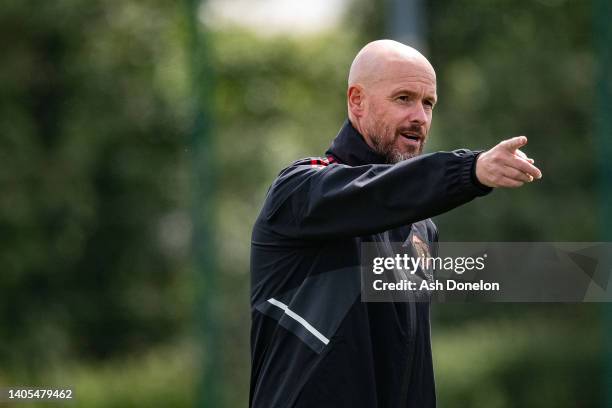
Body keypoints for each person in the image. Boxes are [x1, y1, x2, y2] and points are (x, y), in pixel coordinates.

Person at [249, 39, 542, 408]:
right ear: (357, 101)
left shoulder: (421, 230)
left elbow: (408, 366)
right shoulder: (299, 192)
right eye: (404, 98)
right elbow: (375, 194)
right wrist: (471, 170)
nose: (419, 117)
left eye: (428, 103)